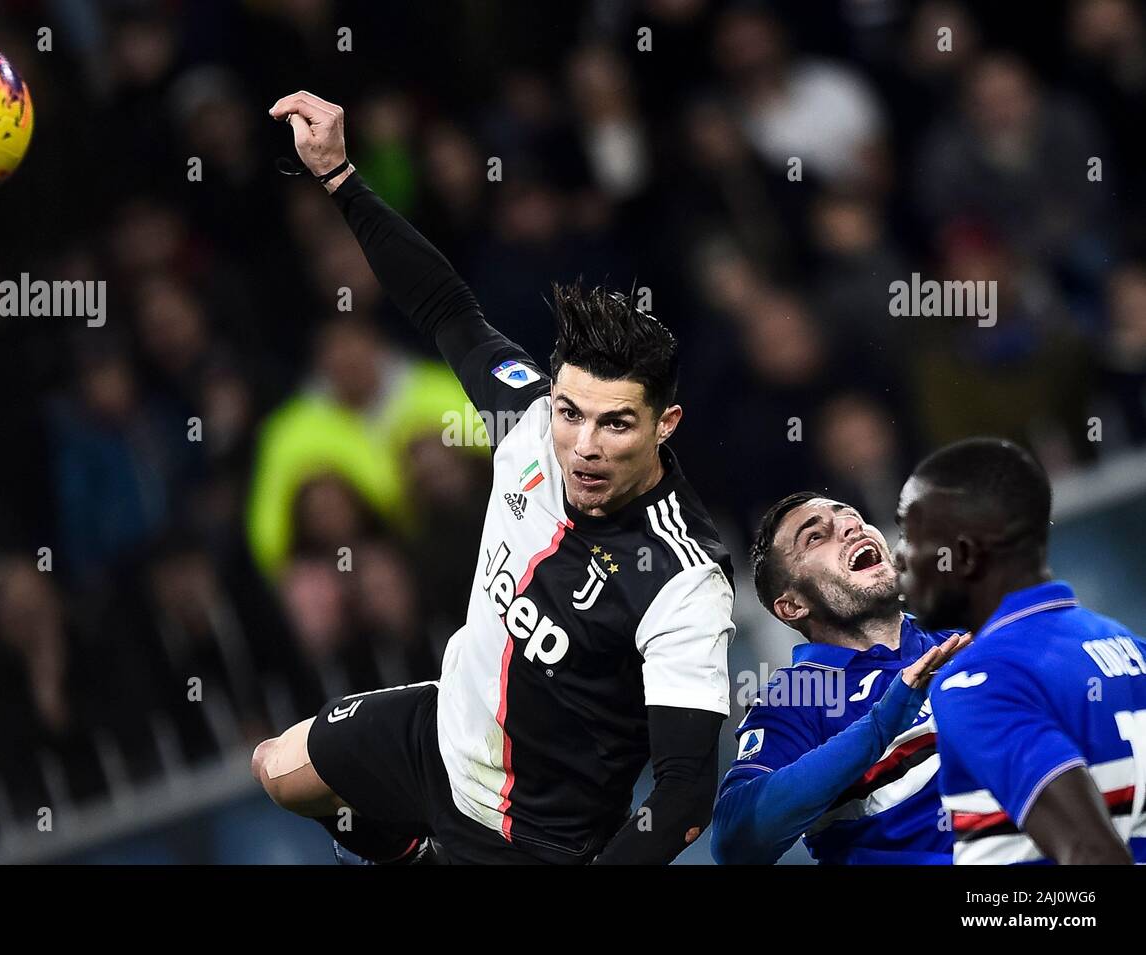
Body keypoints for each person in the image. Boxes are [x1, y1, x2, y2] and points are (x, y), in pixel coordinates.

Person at [251, 91, 735, 864]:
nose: (582, 444)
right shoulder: (528, 420)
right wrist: (341, 173)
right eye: (572, 412)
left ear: (664, 426)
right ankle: (414, 854)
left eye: (616, 424)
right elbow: (448, 307)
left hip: (535, 838)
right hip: (440, 742)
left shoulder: (682, 579)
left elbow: (683, 796)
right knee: (279, 769)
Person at [896, 437, 1146, 864]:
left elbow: (1090, 852)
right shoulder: (1129, 646)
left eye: (908, 534)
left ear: (964, 557)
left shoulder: (980, 680)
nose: (897, 556)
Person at [712, 493, 968, 864]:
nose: (852, 527)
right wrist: (881, 724)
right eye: (815, 536)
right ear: (793, 605)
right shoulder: (799, 695)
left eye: (854, 518)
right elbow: (735, 842)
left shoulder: (962, 634)